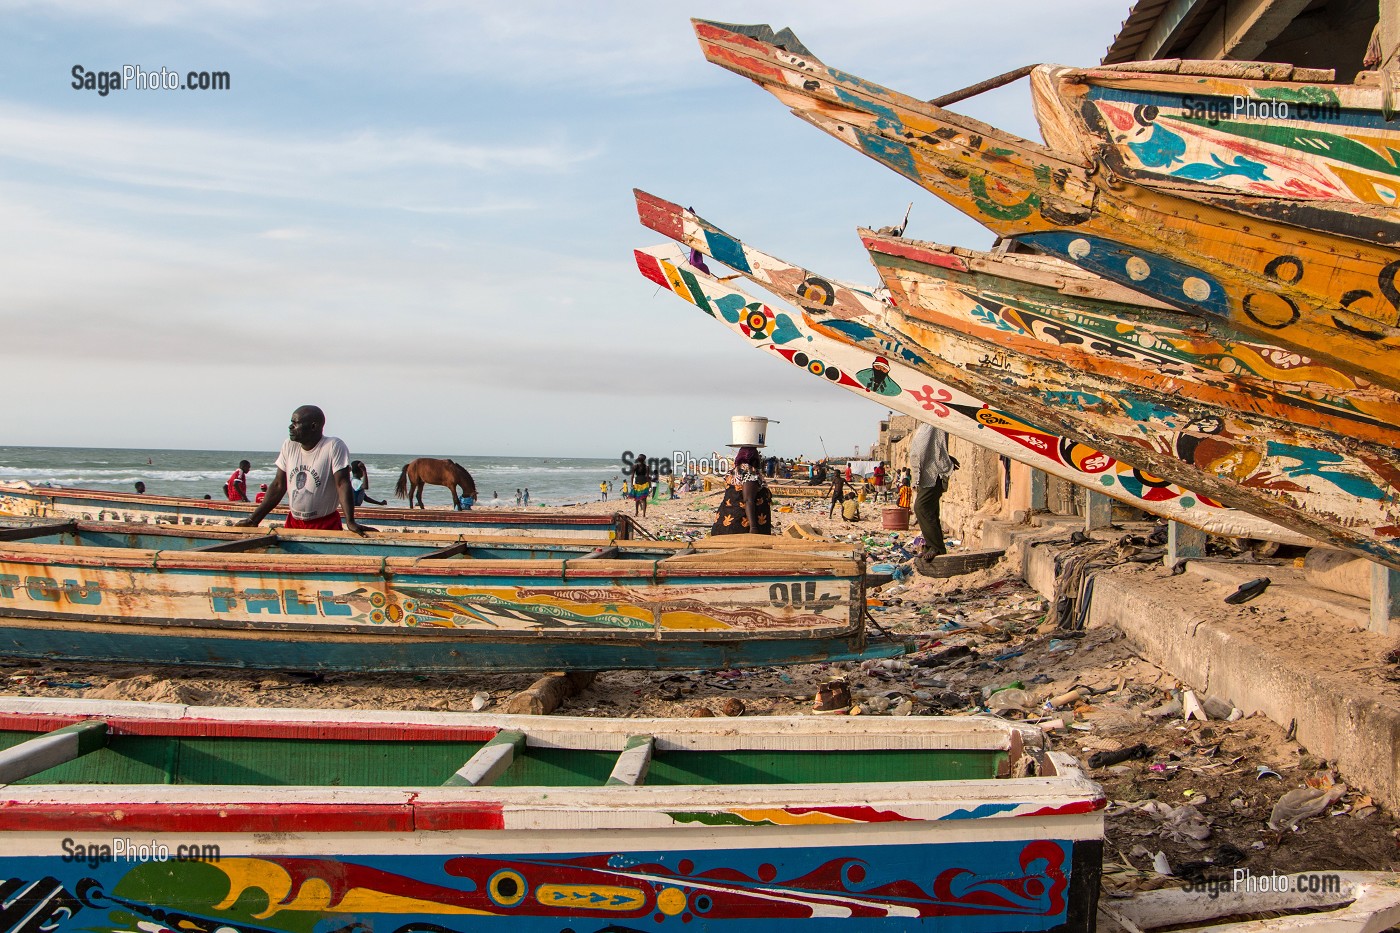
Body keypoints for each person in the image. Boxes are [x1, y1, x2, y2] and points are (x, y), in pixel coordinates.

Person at [234, 404, 368, 533]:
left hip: (325, 523)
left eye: (295, 423)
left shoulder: (333, 446)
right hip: (294, 522)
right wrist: (254, 519)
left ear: (313, 426)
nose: (290, 426)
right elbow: (279, 485)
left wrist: (350, 522)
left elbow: (342, 483)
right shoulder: (289, 445)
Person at [908, 422, 959, 557]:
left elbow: (934, 447)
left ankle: (936, 547)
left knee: (921, 507)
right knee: (929, 510)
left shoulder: (933, 424)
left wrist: (946, 460)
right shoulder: (926, 425)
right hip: (927, 475)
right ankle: (933, 546)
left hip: (933, 475)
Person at [711, 445, 772, 535]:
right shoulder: (749, 471)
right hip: (741, 528)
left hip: (725, 526)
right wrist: (753, 527)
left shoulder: (734, 471)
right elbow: (748, 500)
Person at [630, 453, 651, 518]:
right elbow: (647, 477)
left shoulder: (635, 466)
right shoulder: (647, 467)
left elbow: (632, 476)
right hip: (644, 483)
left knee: (637, 499)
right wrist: (650, 485)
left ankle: (636, 512)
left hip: (637, 483)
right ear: (644, 460)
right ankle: (644, 514)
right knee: (644, 500)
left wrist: (631, 484)